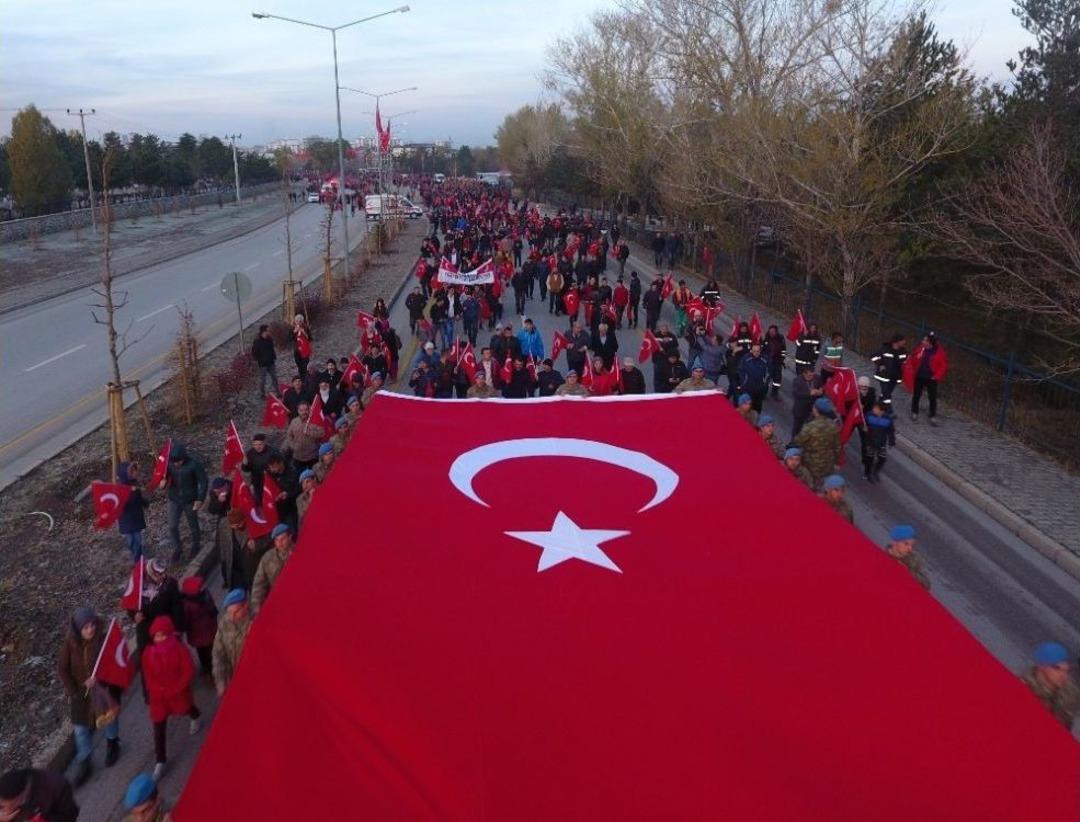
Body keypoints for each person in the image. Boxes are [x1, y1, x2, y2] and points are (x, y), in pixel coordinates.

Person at [57, 607, 122, 785]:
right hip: (81, 694)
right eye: (85, 627)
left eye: (92, 625)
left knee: (109, 718)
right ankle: (85, 761)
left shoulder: (103, 640)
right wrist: (74, 690)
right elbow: (62, 668)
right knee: (80, 729)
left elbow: (111, 663)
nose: (90, 630)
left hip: (103, 690)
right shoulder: (70, 644)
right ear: (78, 629)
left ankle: (112, 744)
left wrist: (99, 678)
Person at [142, 615, 201, 782]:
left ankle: (195, 716)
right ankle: (160, 760)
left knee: (187, 707)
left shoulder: (179, 649)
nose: (159, 638)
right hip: (159, 697)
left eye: (163, 635)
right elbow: (147, 674)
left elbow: (187, 669)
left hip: (176, 692)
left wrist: (178, 687)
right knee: (158, 727)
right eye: (156, 635)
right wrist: (153, 690)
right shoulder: (148, 652)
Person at [165, 442, 207, 563]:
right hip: (174, 498)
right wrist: (163, 483)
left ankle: (196, 544)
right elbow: (164, 476)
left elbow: (203, 481)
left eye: (179, 461)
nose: (176, 464)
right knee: (172, 526)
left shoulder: (194, 465)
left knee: (193, 524)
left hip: (190, 499)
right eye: (174, 462)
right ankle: (178, 548)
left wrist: (200, 498)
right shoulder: (170, 465)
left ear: (184, 458)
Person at [1020, 642, 1078, 730]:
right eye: (1056, 668)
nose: (1063, 676)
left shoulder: (1067, 699)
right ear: (1041, 667)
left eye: (1066, 671)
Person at [212, 589, 252, 697]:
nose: (232, 617)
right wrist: (221, 683)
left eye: (236, 612)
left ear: (245, 606)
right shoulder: (225, 624)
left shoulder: (257, 621)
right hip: (237, 679)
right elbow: (218, 655)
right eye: (229, 613)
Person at [792, 397, 840, 488]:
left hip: (811, 462)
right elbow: (837, 447)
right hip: (827, 462)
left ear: (816, 410)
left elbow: (798, 441)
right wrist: (836, 462)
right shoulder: (833, 426)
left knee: (806, 485)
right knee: (819, 486)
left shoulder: (810, 427)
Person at [0, 769, 78, 822]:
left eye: (4, 806)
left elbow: (70, 815)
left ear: (20, 799)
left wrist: (40, 819)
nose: (4, 811)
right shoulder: (5, 794)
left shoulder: (56, 786)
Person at [251, 523, 294, 616]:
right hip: (280, 601)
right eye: (277, 540)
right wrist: (256, 607)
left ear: (290, 537)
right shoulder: (267, 558)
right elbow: (258, 584)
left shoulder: (299, 552)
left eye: (283, 539)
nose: (280, 543)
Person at [179, 577, 218, 678]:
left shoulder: (202, 596)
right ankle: (208, 670)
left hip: (206, 630)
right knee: (204, 653)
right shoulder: (188, 603)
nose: (203, 587)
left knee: (209, 651)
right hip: (200, 632)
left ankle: (210, 669)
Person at [909, 331, 947, 425]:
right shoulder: (921, 349)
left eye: (925, 340)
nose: (922, 341)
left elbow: (943, 365)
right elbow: (913, 358)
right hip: (919, 376)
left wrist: (936, 376)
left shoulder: (939, 351)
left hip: (931, 378)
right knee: (917, 395)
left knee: (932, 397)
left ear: (930, 342)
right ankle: (914, 412)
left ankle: (932, 415)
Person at [116, 460, 150, 562]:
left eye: (135, 471)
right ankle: (136, 555)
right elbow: (119, 505)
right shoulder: (120, 490)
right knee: (130, 540)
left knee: (138, 539)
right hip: (126, 520)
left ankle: (139, 559)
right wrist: (131, 493)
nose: (136, 473)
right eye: (132, 471)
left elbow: (139, 500)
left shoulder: (135, 487)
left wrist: (145, 502)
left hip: (136, 518)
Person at [885, 524, 930, 590]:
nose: (910, 548)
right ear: (895, 542)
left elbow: (927, 584)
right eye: (906, 544)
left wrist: (908, 572)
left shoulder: (915, 558)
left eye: (912, 545)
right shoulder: (884, 556)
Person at [870, 334, 907, 411]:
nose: (905, 342)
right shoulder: (884, 349)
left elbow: (906, 362)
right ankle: (889, 409)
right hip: (884, 376)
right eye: (903, 340)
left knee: (886, 393)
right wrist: (880, 364)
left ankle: (878, 404)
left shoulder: (903, 351)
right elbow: (873, 356)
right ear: (897, 341)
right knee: (887, 394)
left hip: (895, 377)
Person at [284, 402, 323, 471]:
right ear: (298, 411)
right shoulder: (294, 421)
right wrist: (292, 446)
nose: (304, 412)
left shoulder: (315, 420)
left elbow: (322, 433)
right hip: (298, 456)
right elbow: (289, 435)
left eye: (306, 410)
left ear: (309, 410)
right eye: (301, 410)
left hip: (313, 456)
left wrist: (310, 432)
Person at [862, 401, 893, 482]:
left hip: (881, 442)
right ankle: (867, 473)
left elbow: (891, 431)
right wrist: (864, 428)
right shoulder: (869, 415)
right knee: (869, 458)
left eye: (876, 409)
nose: (873, 410)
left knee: (882, 458)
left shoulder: (888, 419)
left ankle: (876, 470)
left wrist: (891, 442)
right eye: (874, 408)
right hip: (870, 441)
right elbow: (864, 424)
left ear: (882, 411)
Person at [791, 367, 825, 437]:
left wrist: (820, 391)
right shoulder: (797, 381)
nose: (811, 377)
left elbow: (821, 386)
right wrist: (809, 393)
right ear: (804, 374)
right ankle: (793, 442)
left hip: (813, 409)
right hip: (800, 409)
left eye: (812, 375)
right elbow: (796, 394)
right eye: (809, 376)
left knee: (810, 428)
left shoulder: (817, 378)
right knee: (797, 428)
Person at [737, 343, 770, 412]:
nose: (756, 353)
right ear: (751, 350)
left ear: (760, 351)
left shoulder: (765, 359)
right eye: (754, 351)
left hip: (759, 389)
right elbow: (740, 370)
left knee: (757, 408)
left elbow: (769, 372)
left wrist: (765, 384)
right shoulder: (746, 358)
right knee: (748, 408)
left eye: (758, 351)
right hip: (748, 388)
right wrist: (744, 381)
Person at [251, 324, 279, 398]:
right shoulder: (257, 341)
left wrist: (273, 357)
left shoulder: (269, 339)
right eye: (268, 330)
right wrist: (259, 359)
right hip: (263, 364)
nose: (269, 332)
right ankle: (262, 394)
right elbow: (254, 352)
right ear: (264, 331)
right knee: (263, 380)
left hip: (271, 362)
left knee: (274, 378)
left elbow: (272, 349)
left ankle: (278, 392)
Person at [762, 324, 786, 398]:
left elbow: (784, 350)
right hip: (768, 362)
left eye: (773, 331)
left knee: (777, 380)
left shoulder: (780, 339)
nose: (771, 333)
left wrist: (782, 359)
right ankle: (763, 394)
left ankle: (774, 394)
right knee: (767, 379)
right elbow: (762, 350)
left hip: (777, 361)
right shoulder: (765, 338)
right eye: (770, 331)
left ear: (776, 332)